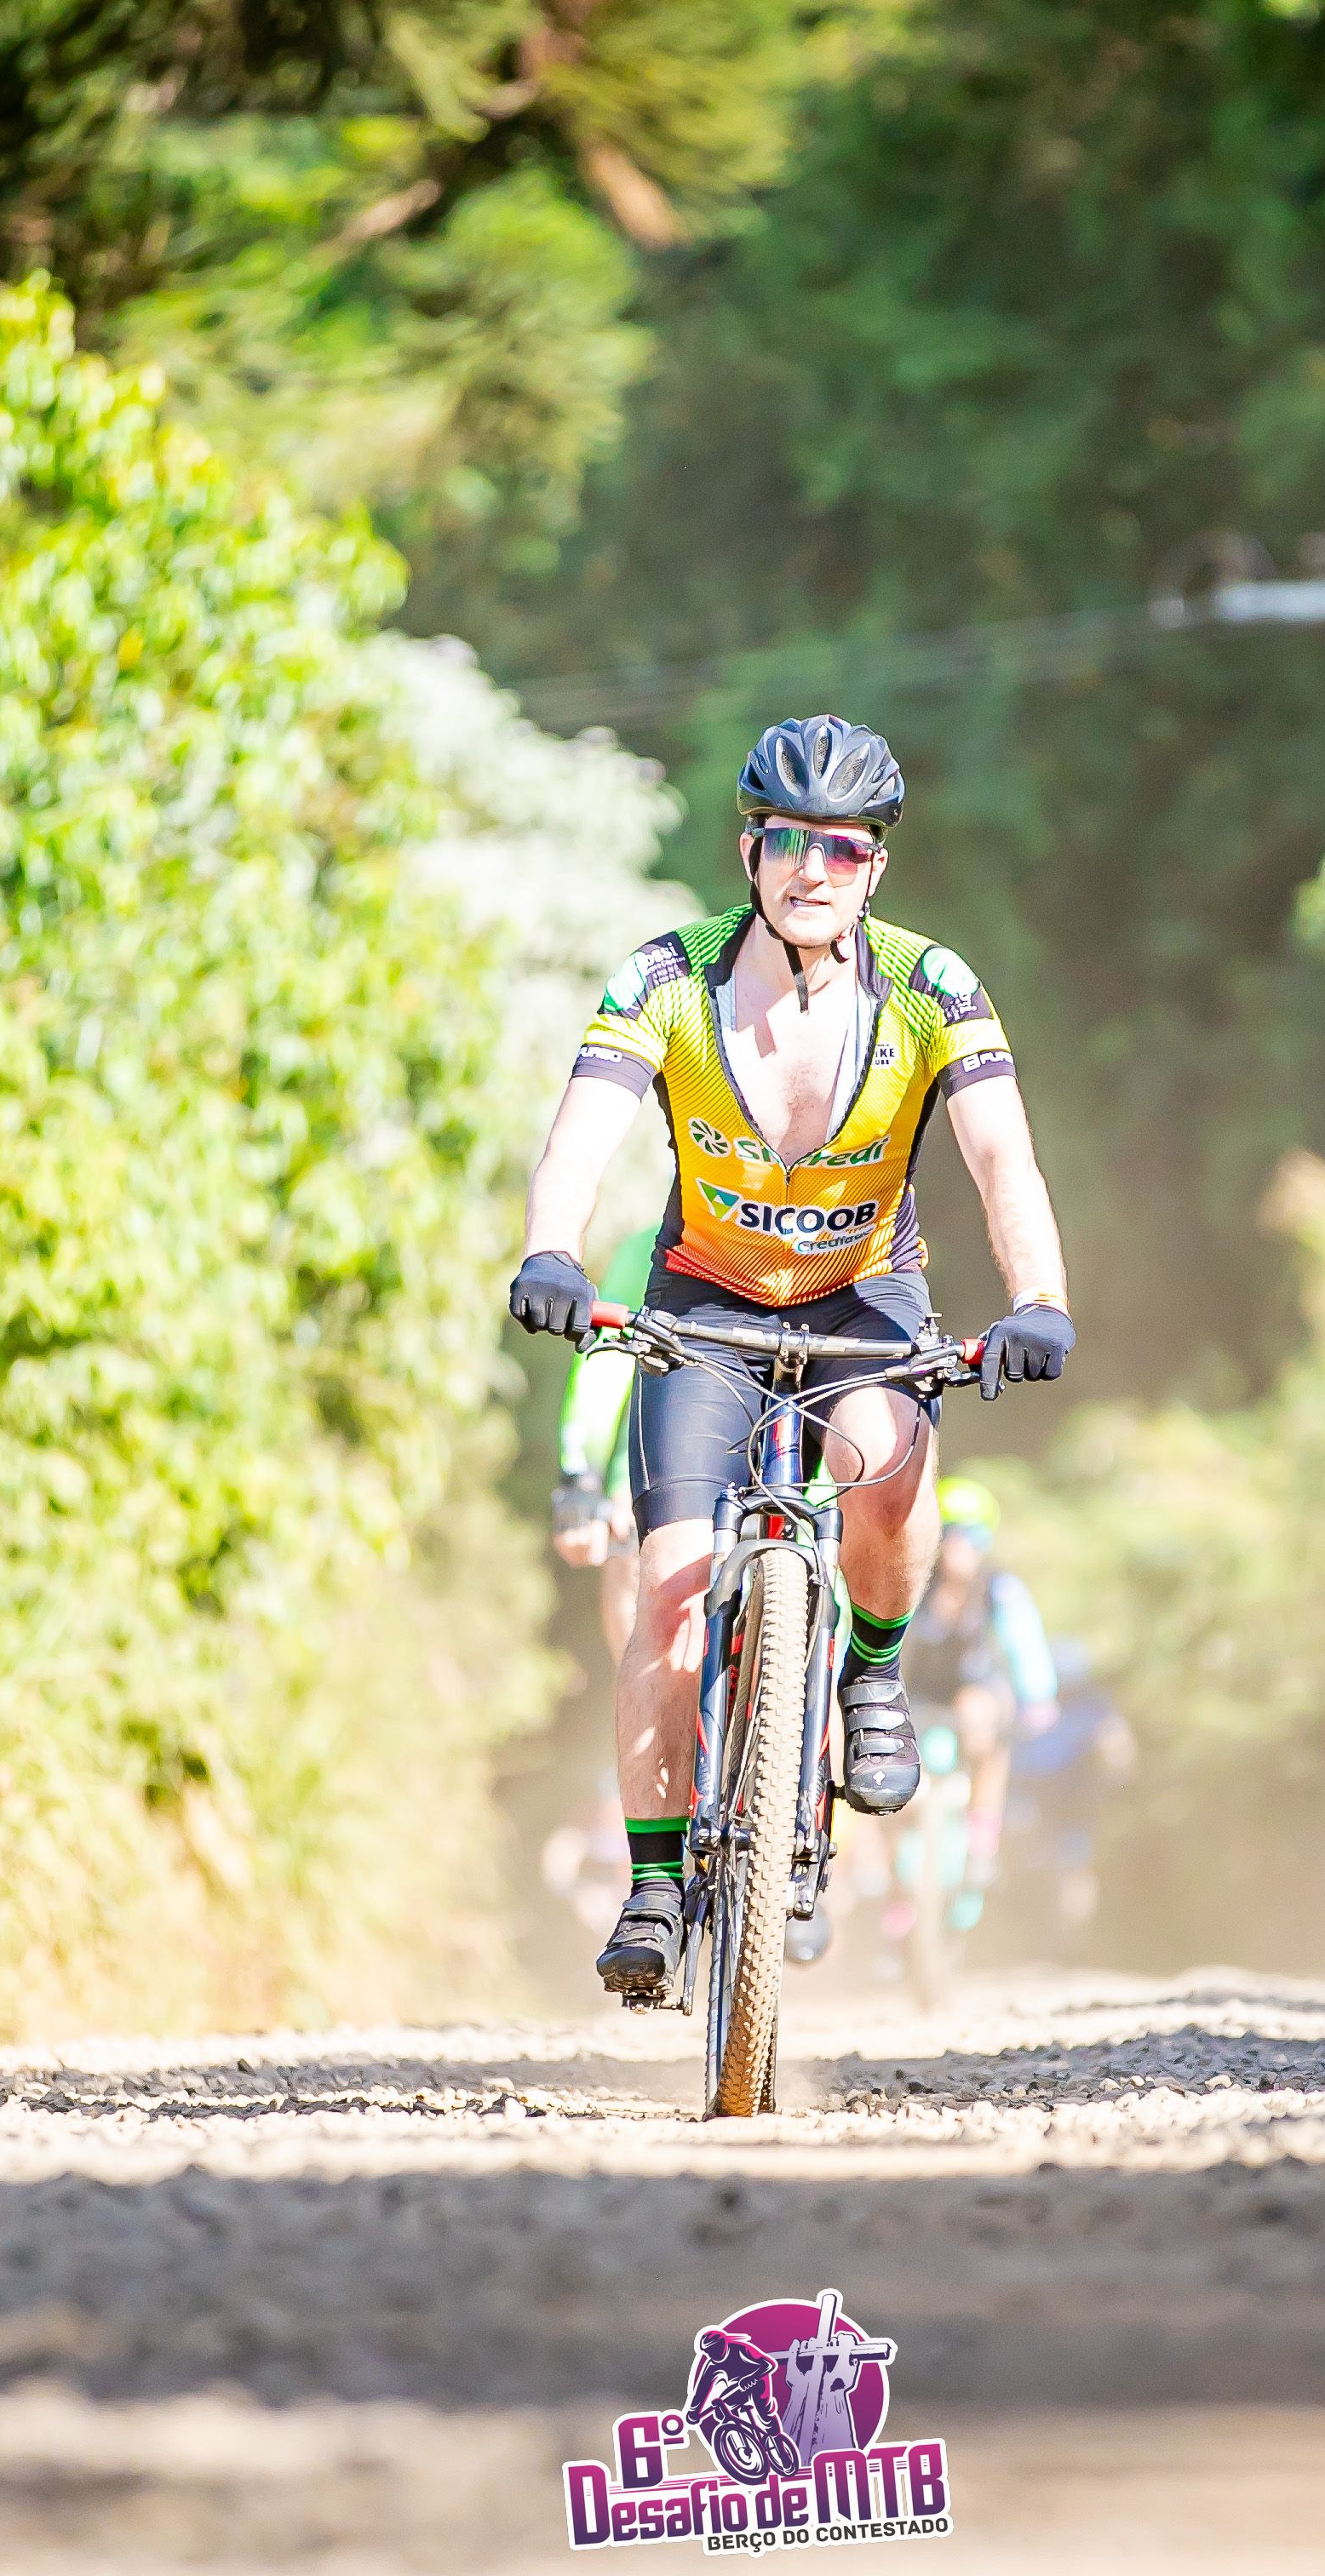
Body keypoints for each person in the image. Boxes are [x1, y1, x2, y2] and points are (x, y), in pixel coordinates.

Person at [508, 714, 1077, 2005]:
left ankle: (871, 1675)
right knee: (666, 1591)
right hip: (703, 1297)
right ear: (748, 851)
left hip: (862, 1296)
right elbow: (580, 1135)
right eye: (786, 841)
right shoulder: (666, 977)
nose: (812, 869)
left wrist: (1039, 1297)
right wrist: (551, 1250)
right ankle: (657, 1883)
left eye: (843, 847)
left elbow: (1003, 1157)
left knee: (885, 1461)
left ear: (876, 867)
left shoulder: (933, 987)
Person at [901, 1475, 1058, 1920]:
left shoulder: (998, 1588)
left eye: (969, 1534)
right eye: (949, 1532)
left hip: (975, 1691)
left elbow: (1024, 1642)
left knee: (983, 1721)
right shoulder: (915, 1583)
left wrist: (1039, 1697)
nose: (958, 1545)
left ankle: (981, 1840)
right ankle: (894, 1883)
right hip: (920, 1694)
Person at [548, 1227, 662, 1657]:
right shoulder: (651, 1245)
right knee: (631, 1557)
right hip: (649, 1475)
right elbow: (607, 1357)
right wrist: (583, 1480)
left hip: (814, 1481)